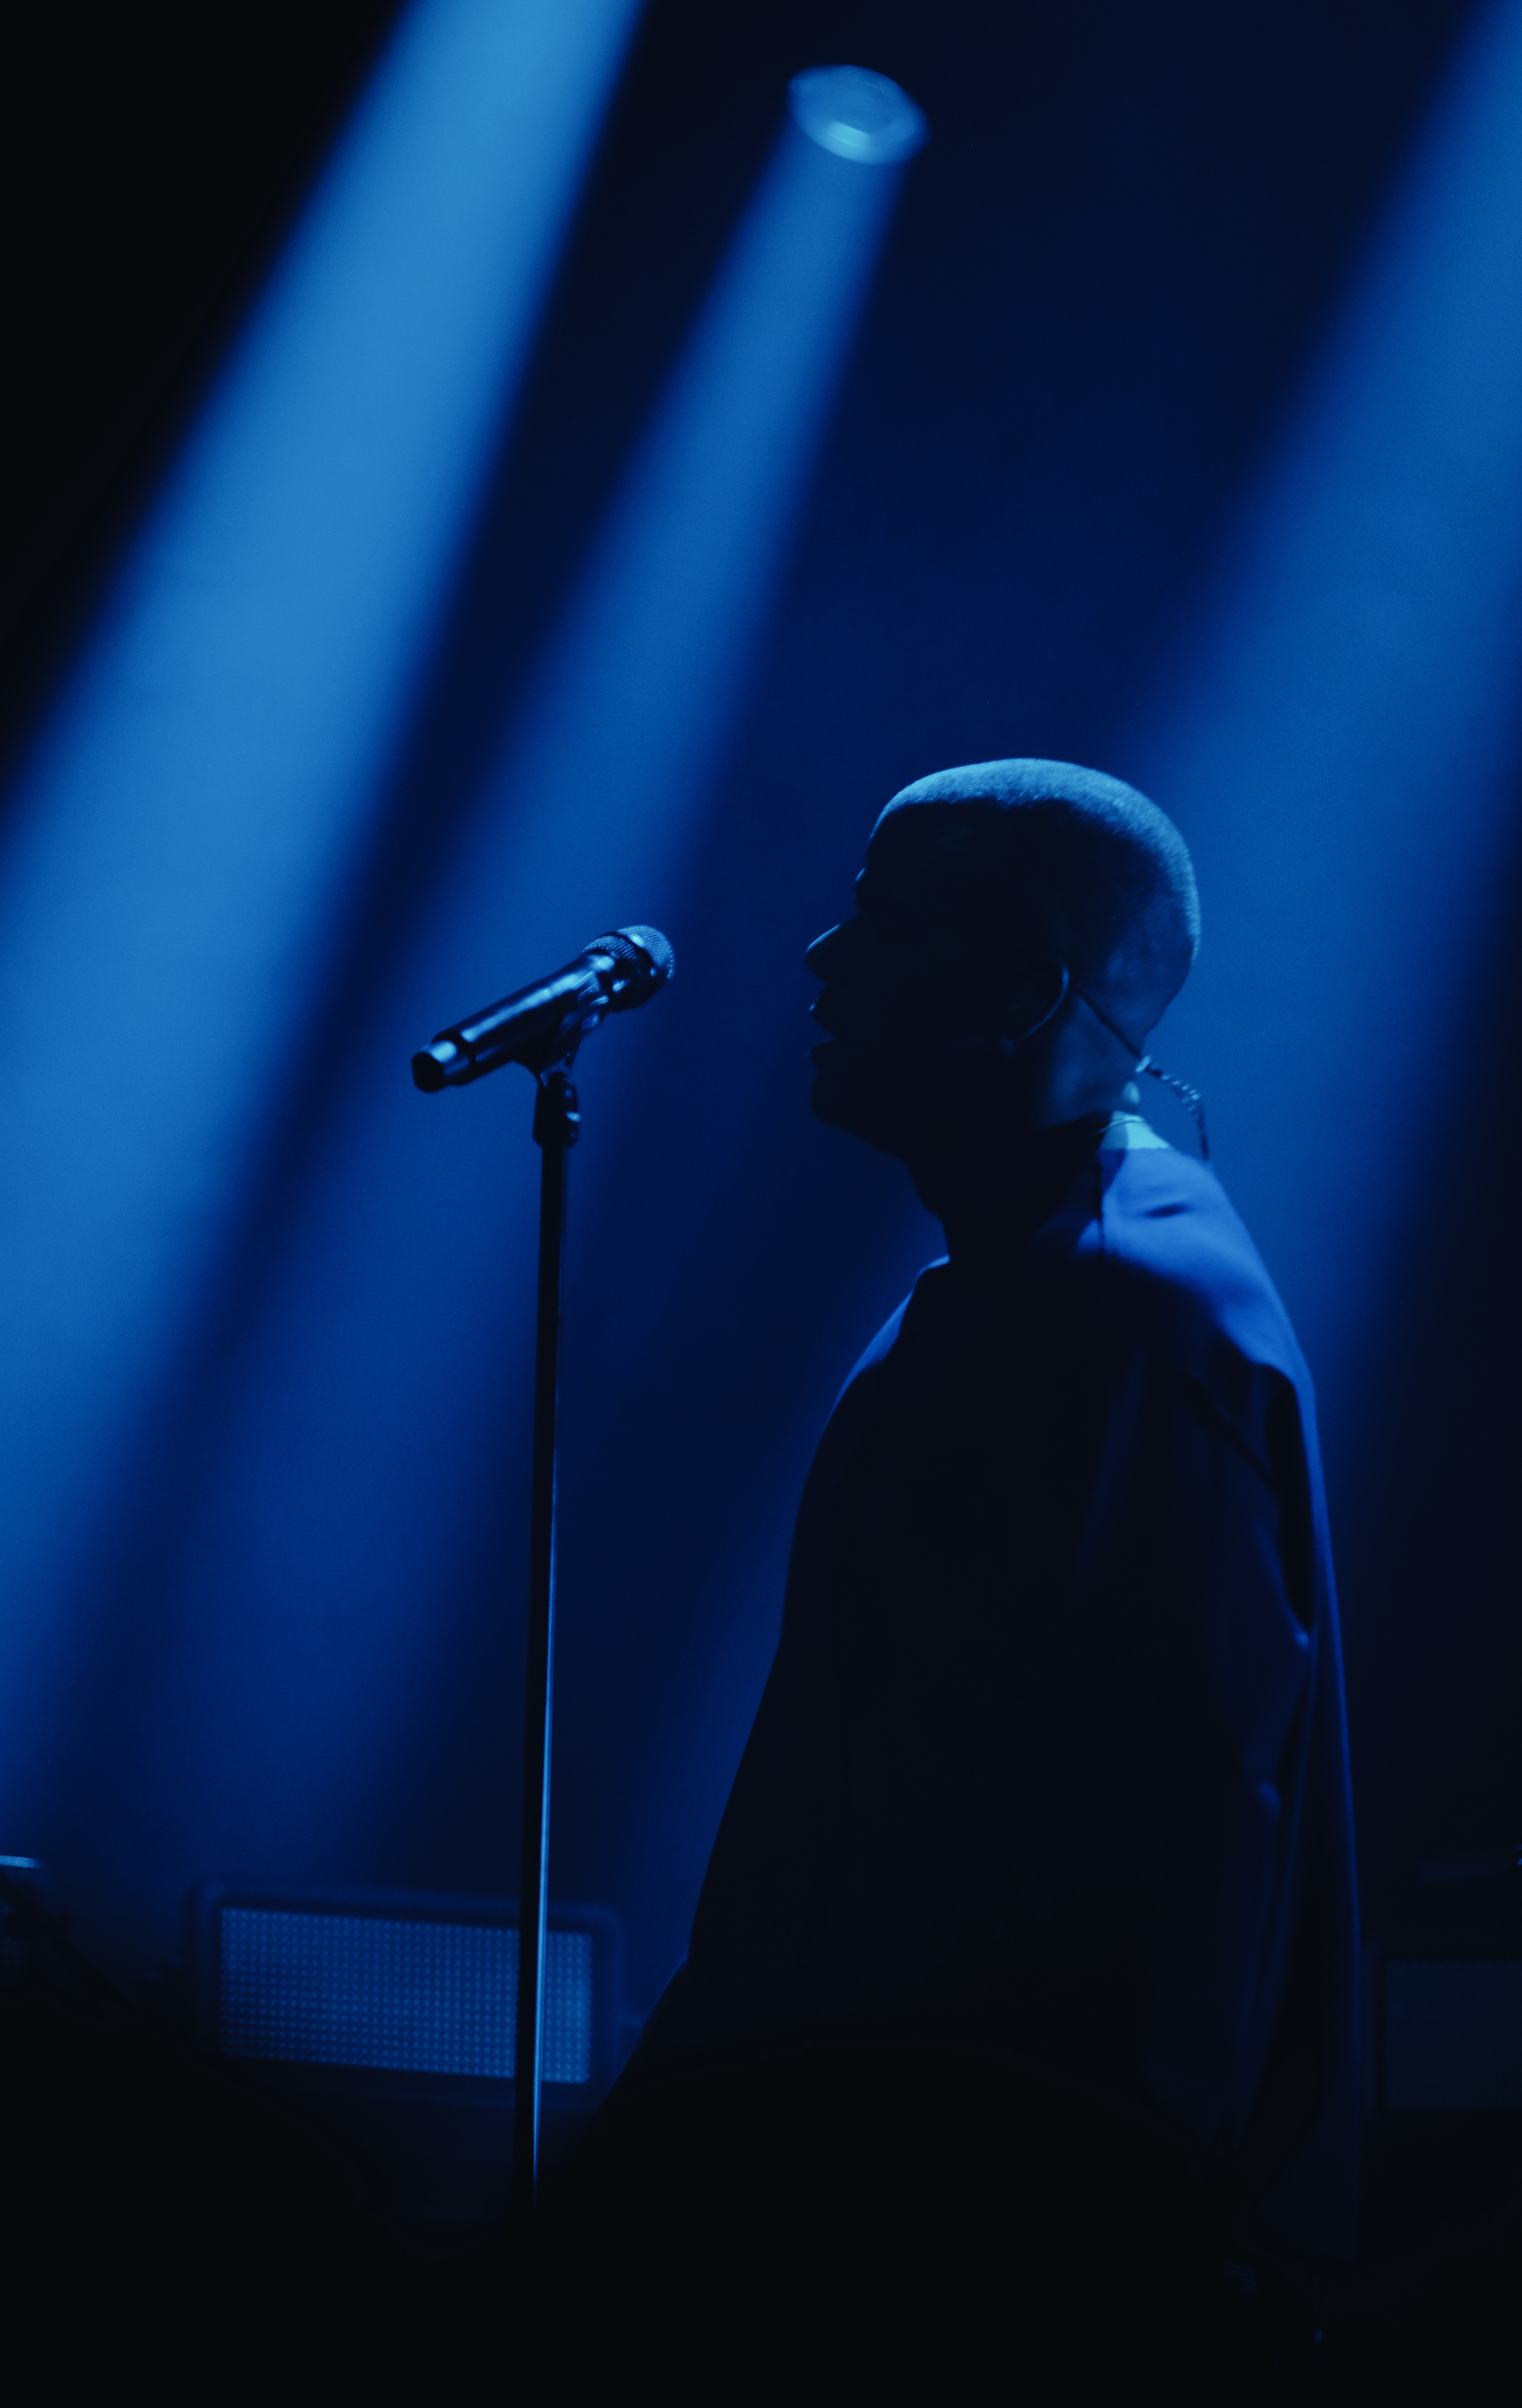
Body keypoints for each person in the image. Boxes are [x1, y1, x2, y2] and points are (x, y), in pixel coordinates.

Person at [524, 760, 1359, 2390]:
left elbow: (1139, 1877)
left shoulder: (1119, 1317)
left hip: (973, 2265)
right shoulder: (1028, 1291)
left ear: (1029, 991)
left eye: (888, 922)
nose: (824, 958)